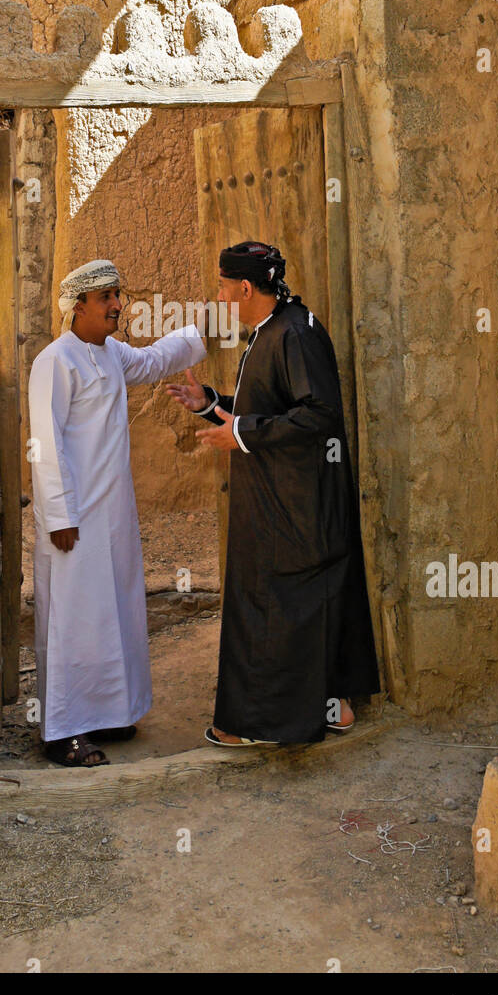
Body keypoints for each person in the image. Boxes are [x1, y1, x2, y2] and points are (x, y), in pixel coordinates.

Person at [167, 240, 379, 746]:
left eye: (222, 286)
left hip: (291, 504)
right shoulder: (278, 327)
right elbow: (271, 405)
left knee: (269, 604)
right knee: (303, 602)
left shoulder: (293, 333)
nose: (218, 297)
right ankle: (335, 707)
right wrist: (210, 403)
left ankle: (252, 726)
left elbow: (318, 413)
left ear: (244, 287)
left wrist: (240, 435)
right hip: (290, 499)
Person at [28, 259, 206, 768]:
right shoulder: (55, 361)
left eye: (117, 295)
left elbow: (152, 361)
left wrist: (202, 333)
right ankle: (63, 732)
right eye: (106, 297)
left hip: (112, 516)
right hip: (73, 520)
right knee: (73, 621)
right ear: (77, 305)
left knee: (113, 615)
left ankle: (108, 713)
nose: (117, 306)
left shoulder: (108, 355)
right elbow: (44, 442)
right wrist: (59, 515)